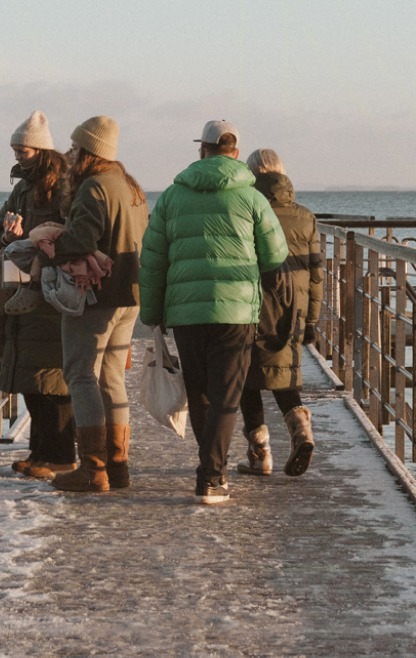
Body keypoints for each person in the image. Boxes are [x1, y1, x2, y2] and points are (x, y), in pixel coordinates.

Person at [138, 120, 288, 504]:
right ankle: (211, 478)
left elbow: (153, 261)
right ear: (236, 154)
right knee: (226, 397)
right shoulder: (252, 198)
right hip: (236, 311)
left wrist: (152, 313)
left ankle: (210, 471)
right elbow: (275, 255)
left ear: (201, 150)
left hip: (187, 314)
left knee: (200, 392)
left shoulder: (172, 197)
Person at [46, 115, 149, 494]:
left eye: (74, 148)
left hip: (97, 295)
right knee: (111, 377)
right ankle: (118, 465)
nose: (69, 154)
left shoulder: (93, 188)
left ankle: (92, 469)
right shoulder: (129, 186)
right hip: (130, 295)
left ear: (89, 152)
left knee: (79, 374)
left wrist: (46, 245)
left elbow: (81, 239)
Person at [0, 111, 77, 480]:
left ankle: (60, 455)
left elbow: (74, 231)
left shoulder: (63, 185)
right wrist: (7, 235)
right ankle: (40, 452)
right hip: (19, 279)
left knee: (51, 376)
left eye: (23, 151)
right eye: (16, 151)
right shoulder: (23, 187)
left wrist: (31, 235)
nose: (18, 157)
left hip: (48, 284)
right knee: (27, 374)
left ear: (41, 150)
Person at [236, 149, 322, 477]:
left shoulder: (247, 210)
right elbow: (316, 275)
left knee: (248, 378)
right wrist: (311, 319)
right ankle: (301, 427)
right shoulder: (306, 216)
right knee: (282, 370)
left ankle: (260, 455)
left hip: (254, 306)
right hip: (295, 310)